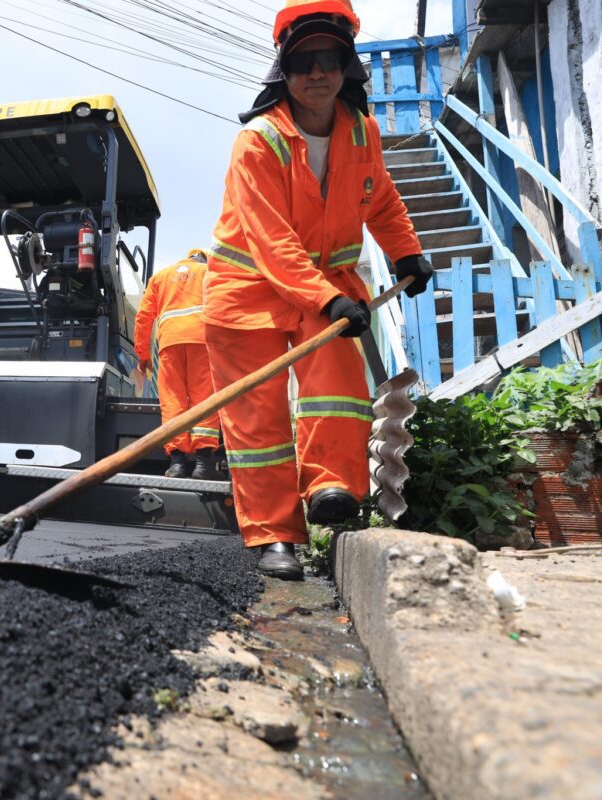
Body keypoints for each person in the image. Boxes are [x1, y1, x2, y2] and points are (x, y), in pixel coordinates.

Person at [204, 0, 433, 580]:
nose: (317, 73)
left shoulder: (362, 131)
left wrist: (405, 249)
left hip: (326, 288)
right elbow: (270, 238)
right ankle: (275, 534)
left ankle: (330, 488)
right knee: (258, 424)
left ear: (345, 65)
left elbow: (377, 196)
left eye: (329, 59)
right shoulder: (258, 141)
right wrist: (327, 298)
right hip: (247, 292)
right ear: (285, 69)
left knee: (337, 386)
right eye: (304, 61)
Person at [134, 249, 222, 480]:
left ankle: (177, 464)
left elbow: (143, 317)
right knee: (204, 399)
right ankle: (203, 464)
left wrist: (142, 355)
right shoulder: (210, 272)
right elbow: (226, 306)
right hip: (202, 342)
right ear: (203, 258)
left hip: (169, 344)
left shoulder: (160, 277)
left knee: (173, 401)